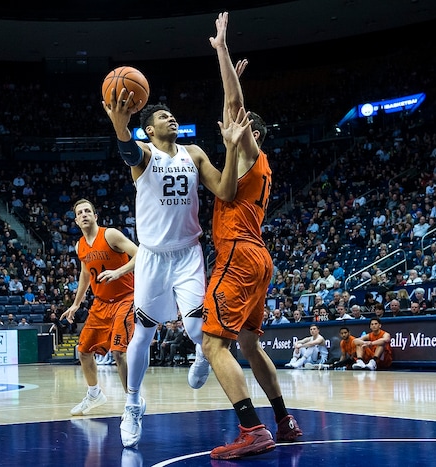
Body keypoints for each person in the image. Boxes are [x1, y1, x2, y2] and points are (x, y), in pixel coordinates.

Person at [102, 16, 245, 449]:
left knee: (202, 333)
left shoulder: (195, 152)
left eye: (172, 114)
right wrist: (119, 122)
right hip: (151, 256)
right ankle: (132, 403)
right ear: (150, 128)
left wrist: (233, 146)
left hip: (187, 252)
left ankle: (202, 358)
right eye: (163, 115)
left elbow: (226, 190)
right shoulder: (142, 153)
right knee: (142, 333)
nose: (172, 117)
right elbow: (125, 146)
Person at [200, 12, 301, 460]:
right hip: (259, 258)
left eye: (238, 123)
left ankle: (251, 428)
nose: (227, 124)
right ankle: (284, 420)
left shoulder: (249, 153)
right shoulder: (253, 170)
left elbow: (234, 108)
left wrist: (221, 49)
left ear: (252, 134)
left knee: (213, 344)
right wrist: (229, 75)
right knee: (249, 344)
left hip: (238, 255)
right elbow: (231, 105)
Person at [60, 199, 138, 416]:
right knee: (83, 351)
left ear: (95, 216)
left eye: (87, 211)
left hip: (126, 298)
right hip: (100, 304)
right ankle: (94, 394)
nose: (84, 214)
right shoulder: (80, 245)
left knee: (119, 352)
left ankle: (132, 402)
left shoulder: (110, 234)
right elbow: (85, 274)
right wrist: (76, 304)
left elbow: (140, 254)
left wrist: (119, 272)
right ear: (76, 221)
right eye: (80, 213)